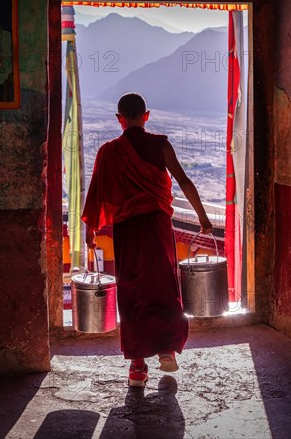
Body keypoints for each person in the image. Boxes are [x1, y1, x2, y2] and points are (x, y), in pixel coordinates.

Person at [82, 93, 212, 387]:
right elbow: (184, 181)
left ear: (119, 119)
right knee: (163, 285)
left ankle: (137, 368)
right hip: (157, 226)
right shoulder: (160, 145)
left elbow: (96, 195)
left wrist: (90, 233)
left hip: (127, 230)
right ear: (147, 116)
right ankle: (167, 351)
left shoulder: (109, 151)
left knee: (132, 290)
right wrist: (202, 217)